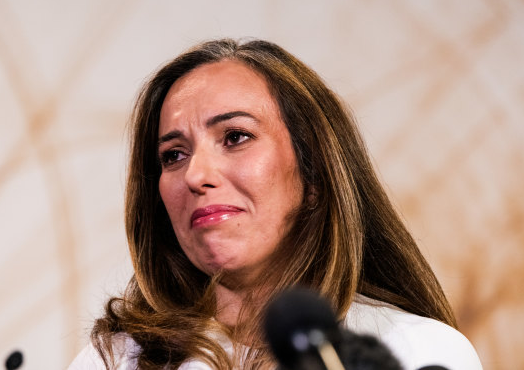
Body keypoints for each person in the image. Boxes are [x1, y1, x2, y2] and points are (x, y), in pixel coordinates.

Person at [68, 38, 482, 370]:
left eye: (235, 137)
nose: (195, 176)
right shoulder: (114, 360)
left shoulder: (417, 351)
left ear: (314, 172)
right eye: (173, 155)